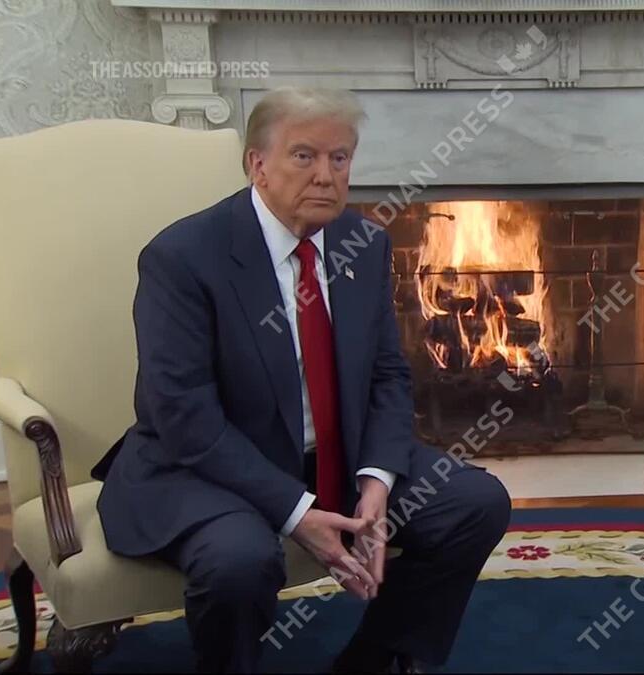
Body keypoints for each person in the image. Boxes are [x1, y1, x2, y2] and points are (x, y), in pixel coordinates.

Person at [93, 87, 511, 674]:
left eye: (340, 158)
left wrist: (377, 479)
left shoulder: (363, 244)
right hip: (208, 468)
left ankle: (371, 661)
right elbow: (184, 416)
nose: (325, 175)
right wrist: (296, 512)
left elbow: (387, 373)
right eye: (304, 156)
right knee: (239, 561)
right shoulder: (182, 258)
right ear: (257, 165)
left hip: (333, 455)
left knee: (474, 503)